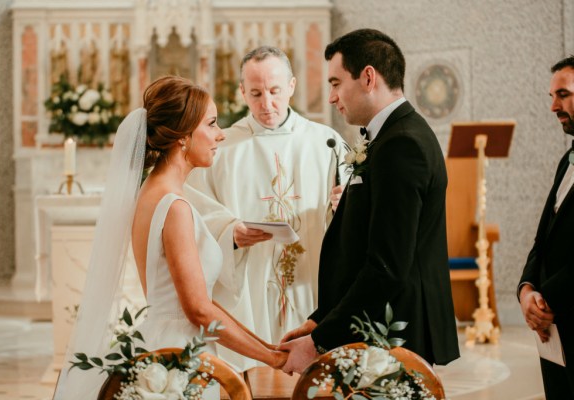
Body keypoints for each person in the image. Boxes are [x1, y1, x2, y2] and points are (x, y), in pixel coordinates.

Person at [53, 76, 287, 400]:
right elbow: (199, 312)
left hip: (163, 343)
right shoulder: (174, 206)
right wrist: (273, 358)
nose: (220, 134)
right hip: (179, 357)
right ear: (182, 136)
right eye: (212, 124)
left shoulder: (152, 191)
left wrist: (269, 346)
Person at [279, 29, 460, 373]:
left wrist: (321, 340)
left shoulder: (402, 145)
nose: (331, 97)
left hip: (393, 336)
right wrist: (322, 320)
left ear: (367, 77)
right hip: (376, 328)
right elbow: (364, 245)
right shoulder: (390, 138)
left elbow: (387, 267)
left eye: (335, 83)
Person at [185, 46, 347, 370]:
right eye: (256, 93)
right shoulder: (221, 148)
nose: (267, 104)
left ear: (292, 86)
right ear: (242, 91)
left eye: (274, 91)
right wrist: (229, 233)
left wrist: (343, 206)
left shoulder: (326, 142)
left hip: (310, 280)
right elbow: (195, 213)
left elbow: (350, 219)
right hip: (247, 285)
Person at [518, 56, 574, 399]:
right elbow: (543, 238)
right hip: (554, 330)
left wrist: (547, 297)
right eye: (552, 96)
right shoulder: (566, 161)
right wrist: (526, 290)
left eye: (563, 94)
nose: (554, 106)